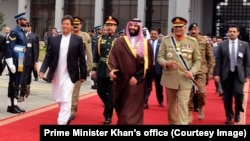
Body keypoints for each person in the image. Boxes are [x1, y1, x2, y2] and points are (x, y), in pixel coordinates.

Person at [39, 15, 87, 125]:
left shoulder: (78, 40)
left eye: (67, 24)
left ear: (71, 26)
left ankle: (61, 122)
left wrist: (83, 74)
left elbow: (82, 58)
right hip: (56, 74)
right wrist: (43, 70)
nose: (65, 26)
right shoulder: (54, 39)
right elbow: (48, 56)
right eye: (63, 23)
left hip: (70, 74)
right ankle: (64, 117)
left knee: (66, 97)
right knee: (59, 98)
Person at [108, 18, 153, 124]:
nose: (132, 27)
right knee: (122, 107)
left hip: (137, 82)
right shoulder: (120, 41)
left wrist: (137, 77)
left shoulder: (146, 44)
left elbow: (148, 64)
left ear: (139, 28)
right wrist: (112, 70)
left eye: (135, 26)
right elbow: (113, 57)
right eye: (131, 25)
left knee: (130, 111)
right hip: (121, 81)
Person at [157, 17, 201, 125]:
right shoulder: (166, 40)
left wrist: (192, 72)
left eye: (180, 27)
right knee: (171, 106)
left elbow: (197, 60)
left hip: (185, 79)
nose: (178, 29)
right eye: (176, 27)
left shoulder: (192, 41)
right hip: (170, 78)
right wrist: (166, 63)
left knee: (183, 104)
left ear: (185, 28)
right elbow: (160, 57)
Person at [214, 24, 250, 125]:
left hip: (239, 74)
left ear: (238, 33)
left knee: (239, 94)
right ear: (228, 33)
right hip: (226, 74)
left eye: (234, 32)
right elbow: (218, 60)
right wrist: (216, 74)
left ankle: (238, 111)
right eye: (230, 31)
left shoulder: (244, 44)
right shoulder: (222, 45)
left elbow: (247, 61)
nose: (232, 33)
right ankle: (229, 116)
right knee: (227, 97)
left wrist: (247, 75)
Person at [91, 16, 119, 124]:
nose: (109, 27)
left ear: (116, 27)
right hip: (102, 69)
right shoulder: (100, 39)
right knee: (100, 91)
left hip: (113, 70)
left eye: (112, 25)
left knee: (111, 95)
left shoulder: (119, 40)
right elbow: (96, 56)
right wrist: (94, 69)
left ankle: (108, 116)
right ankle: (109, 103)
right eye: (108, 25)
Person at [187, 23, 215, 123]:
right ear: (189, 31)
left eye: (195, 29)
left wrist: (211, 70)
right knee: (188, 94)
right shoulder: (184, 39)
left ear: (199, 30)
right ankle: (189, 112)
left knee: (201, 92)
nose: (193, 31)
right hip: (188, 71)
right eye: (192, 29)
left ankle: (201, 106)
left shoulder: (205, 40)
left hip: (201, 70)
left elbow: (210, 56)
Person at [68, 16, 92, 122]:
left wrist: (89, 66)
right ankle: (66, 108)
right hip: (66, 66)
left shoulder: (85, 36)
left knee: (75, 90)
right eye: (74, 24)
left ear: (81, 25)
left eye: (78, 24)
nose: (75, 26)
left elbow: (88, 52)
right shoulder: (67, 35)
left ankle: (72, 111)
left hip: (78, 67)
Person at [5, 12, 28, 113]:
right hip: (15, 59)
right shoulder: (14, 31)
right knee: (13, 82)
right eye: (24, 20)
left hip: (20, 59)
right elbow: (10, 48)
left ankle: (15, 104)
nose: (25, 21)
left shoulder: (22, 31)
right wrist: (10, 63)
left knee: (18, 82)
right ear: (19, 21)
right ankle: (11, 105)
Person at [17, 22, 39, 102]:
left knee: (25, 77)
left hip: (29, 60)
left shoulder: (33, 36)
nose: (25, 28)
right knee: (22, 77)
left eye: (26, 27)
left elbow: (36, 50)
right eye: (24, 27)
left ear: (30, 27)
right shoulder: (20, 36)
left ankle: (23, 93)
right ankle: (24, 89)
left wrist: (35, 62)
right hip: (20, 59)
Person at [144, 27, 163, 109]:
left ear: (158, 35)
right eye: (152, 34)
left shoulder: (161, 43)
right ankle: (145, 101)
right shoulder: (146, 43)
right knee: (147, 85)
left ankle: (160, 100)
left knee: (159, 86)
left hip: (158, 68)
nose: (153, 35)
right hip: (148, 68)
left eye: (155, 34)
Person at [90, 25, 102, 89]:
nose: (101, 31)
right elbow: (91, 47)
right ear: (97, 31)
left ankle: (97, 82)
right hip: (93, 55)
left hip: (98, 56)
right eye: (99, 30)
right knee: (93, 69)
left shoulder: (101, 37)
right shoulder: (94, 37)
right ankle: (93, 83)